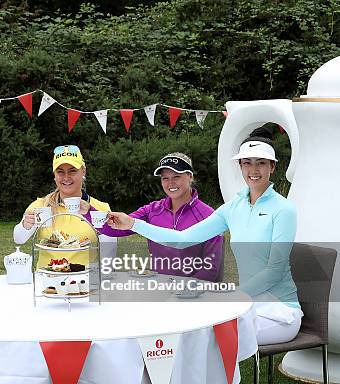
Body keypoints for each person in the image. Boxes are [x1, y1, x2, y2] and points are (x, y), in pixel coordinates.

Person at [108, 127, 302, 346]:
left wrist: (233, 296)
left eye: (261, 162)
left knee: (206, 337)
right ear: (240, 166)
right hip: (247, 305)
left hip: (280, 311)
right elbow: (182, 239)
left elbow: (275, 271)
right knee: (188, 328)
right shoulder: (232, 208)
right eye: (247, 162)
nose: (253, 169)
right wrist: (133, 223)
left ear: (272, 167)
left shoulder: (284, 209)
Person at [91, 152, 223, 281]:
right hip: (160, 290)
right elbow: (112, 230)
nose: (170, 183)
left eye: (176, 176)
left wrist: (183, 291)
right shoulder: (152, 210)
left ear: (190, 176)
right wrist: (87, 210)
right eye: (165, 178)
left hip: (195, 295)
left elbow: (211, 269)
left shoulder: (209, 216)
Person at [13, 145, 113, 268]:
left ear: (83, 171)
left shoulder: (100, 208)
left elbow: (109, 257)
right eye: (60, 172)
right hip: (46, 280)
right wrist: (25, 226)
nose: (66, 177)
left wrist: (106, 232)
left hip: (84, 280)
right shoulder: (40, 206)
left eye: (72, 171)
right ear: (54, 175)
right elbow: (19, 239)